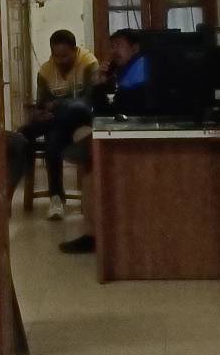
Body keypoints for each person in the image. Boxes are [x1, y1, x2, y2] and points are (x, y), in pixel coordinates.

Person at [58, 28, 160, 255]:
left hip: (137, 139)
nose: (114, 51)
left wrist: (100, 87)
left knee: (88, 153)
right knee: (76, 126)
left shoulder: (140, 70)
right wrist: (102, 83)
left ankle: (93, 234)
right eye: (112, 46)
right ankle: (93, 230)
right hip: (126, 131)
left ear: (135, 48)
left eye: (119, 45)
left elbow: (114, 111)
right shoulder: (127, 70)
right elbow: (106, 113)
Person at [17, 29, 96, 219]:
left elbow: (90, 99)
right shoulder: (45, 71)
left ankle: (56, 197)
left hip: (81, 120)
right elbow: (42, 103)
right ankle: (55, 197)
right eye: (56, 56)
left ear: (75, 50)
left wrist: (58, 105)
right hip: (56, 123)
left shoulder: (88, 63)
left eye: (65, 56)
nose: (60, 60)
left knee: (70, 112)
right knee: (46, 136)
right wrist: (43, 113)